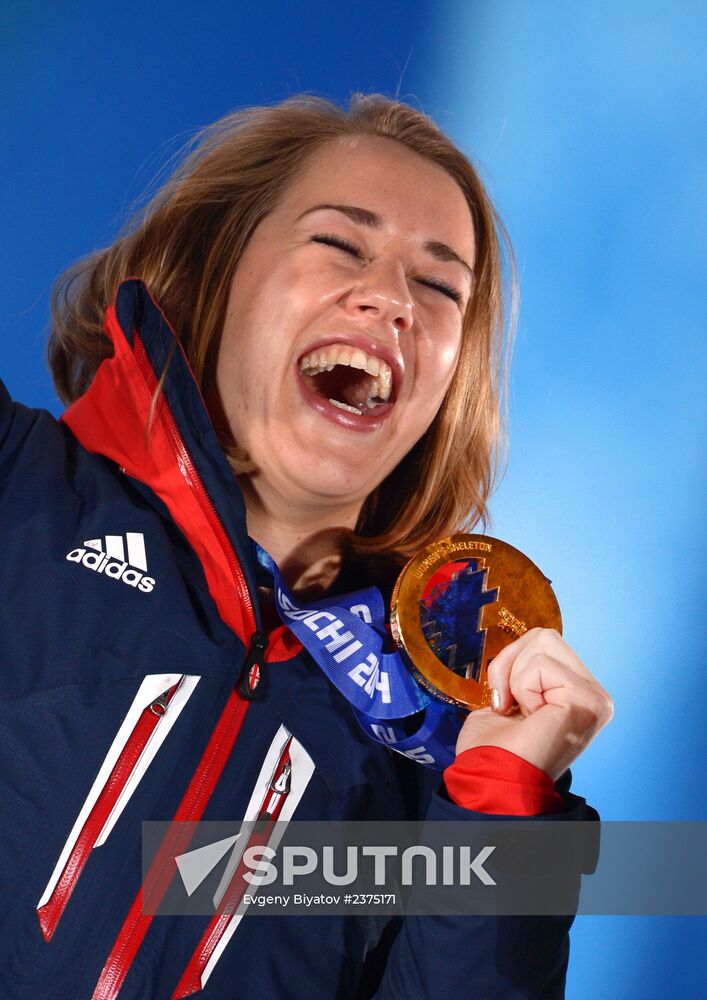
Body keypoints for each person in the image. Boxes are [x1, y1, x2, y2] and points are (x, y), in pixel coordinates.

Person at [0, 94, 613, 999]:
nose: (394, 301)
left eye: (440, 287)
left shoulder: (443, 744)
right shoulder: (19, 490)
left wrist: (500, 814)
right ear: (214, 270)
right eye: (339, 243)